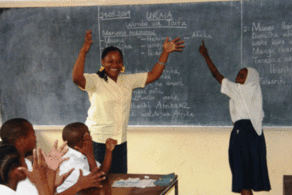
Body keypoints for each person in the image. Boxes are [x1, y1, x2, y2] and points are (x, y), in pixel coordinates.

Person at [72, 30, 185, 173]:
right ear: (103, 62)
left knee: (119, 182)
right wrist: (84, 51)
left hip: (119, 141)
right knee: (99, 183)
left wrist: (165, 52)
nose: (115, 65)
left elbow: (153, 75)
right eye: (110, 61)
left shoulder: (127, 80)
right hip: (98, 142)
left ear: (122, 64)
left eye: (118, 61)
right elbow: (76, 78)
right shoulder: (95, 80)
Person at [199, 41, 271, 195]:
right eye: (238, 74)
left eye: (242, 76)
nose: (238, 78)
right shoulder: (254, 93)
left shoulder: (240, 91)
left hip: (243, 136)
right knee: (246, 181)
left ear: (250, 80)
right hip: (254, 138)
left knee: (243, 181)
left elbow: (216, 75)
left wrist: (206, 55)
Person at [0, 118, 99, 195]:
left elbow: (48, 193)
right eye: (33, 134)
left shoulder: (26, 163)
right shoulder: (17, 171)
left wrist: (52, 179)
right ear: (22, 140)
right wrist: (78, 186)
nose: (36, 137)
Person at [56, 122, 117, 194]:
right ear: (85, 139)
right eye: (89, 133)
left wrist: (109, 150)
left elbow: (101, 173)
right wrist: (90, 155)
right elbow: (98, 181)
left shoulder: (79, 154)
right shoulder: (72, 162)